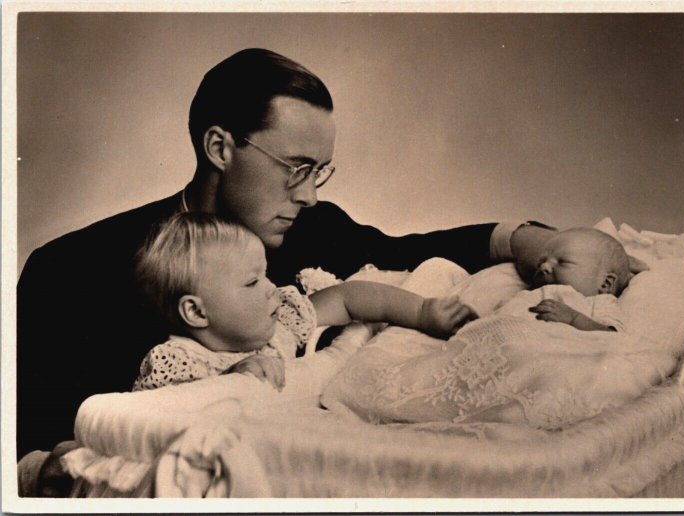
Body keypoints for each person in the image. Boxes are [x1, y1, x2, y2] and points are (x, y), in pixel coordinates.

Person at [16, 47, 570, 494]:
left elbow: (406, 248)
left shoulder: (313, 228)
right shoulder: (72, 271)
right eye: (296, 168)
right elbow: (27, 442)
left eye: (319, 171)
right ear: (219, 147)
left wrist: (531, 239)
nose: (307, 195)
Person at [321, 228, 649, 429]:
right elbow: (498, 324)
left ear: (605, 282)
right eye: (543, 261)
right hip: (497, 352)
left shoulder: (595, 303)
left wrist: (575, 319)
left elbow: (612, 340)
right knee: (435, 374)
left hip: (546, 355)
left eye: (563, 263)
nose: (545, 266)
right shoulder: (525, 294)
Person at [131, 213, 473, 391]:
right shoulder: (175, 363)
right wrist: (232, 378)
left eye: (265, 275)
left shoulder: (278, 325)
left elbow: (348, 298)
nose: (272, 289)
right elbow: (161, 424)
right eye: (252, 282)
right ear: (196, 311)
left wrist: (423, 311)